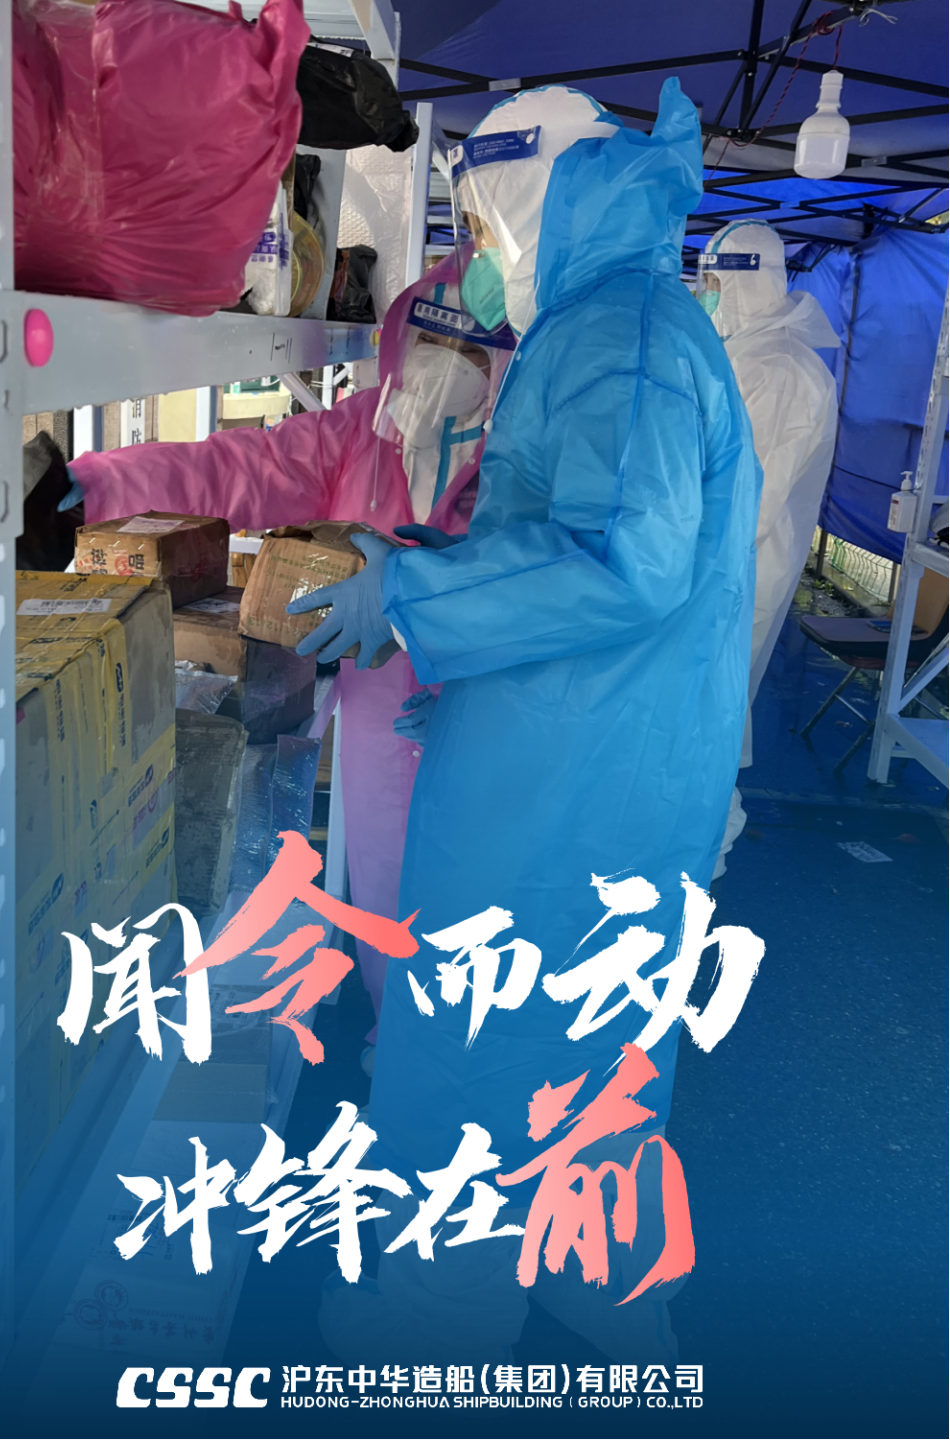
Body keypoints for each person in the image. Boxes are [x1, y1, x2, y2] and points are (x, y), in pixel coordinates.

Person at [290, 79, 762, 1361]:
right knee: (594, 1085)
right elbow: (562, 536)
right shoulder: (615, 321)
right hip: (593, 772)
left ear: (536, 200)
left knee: (475, 1078)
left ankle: (425, 1345)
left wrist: (412, 596)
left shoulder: (622, 337)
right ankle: (606, 1314)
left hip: (565, 799)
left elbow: (624, 561)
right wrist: (423, 571)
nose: (482, 255)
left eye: (489, 222)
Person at [65, 254, 513, 1046]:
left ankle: (472, 1055)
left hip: (492, 702)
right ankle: (396, 1040)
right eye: (433, 343)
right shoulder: (363, 431)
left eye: (473, 351)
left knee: (489, 883)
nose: (448, 366)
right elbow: (237, 469)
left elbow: (563, 579)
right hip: (379, 705)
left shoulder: (524, 458)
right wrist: (101, 485)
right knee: (385, 869)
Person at [697, 221, 840, 876]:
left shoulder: (780, 368)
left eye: (716, 282)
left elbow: (748, 500)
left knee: (706, 713)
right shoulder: (752, 353)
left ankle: (702, 853)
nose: (709, 294)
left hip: (735, 567)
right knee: (698, 707)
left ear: (747, 281)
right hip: (720, 564)